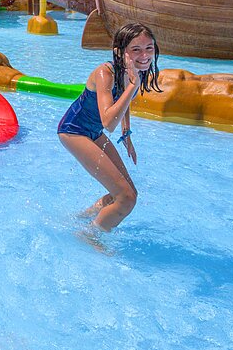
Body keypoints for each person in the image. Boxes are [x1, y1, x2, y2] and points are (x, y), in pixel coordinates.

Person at [56, 22, 160, 231]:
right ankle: (90, 235)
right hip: (73, 130)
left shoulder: (128, 71)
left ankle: (83, 218)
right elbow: (108, 122)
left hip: (93, 132)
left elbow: (122, 103)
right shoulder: (106, 73)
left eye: (149, 48)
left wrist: (127, 133)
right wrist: (133, 86)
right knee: (126, 198)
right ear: (120, 52)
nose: (144, 55)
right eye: (136, 49)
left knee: (127, 191)